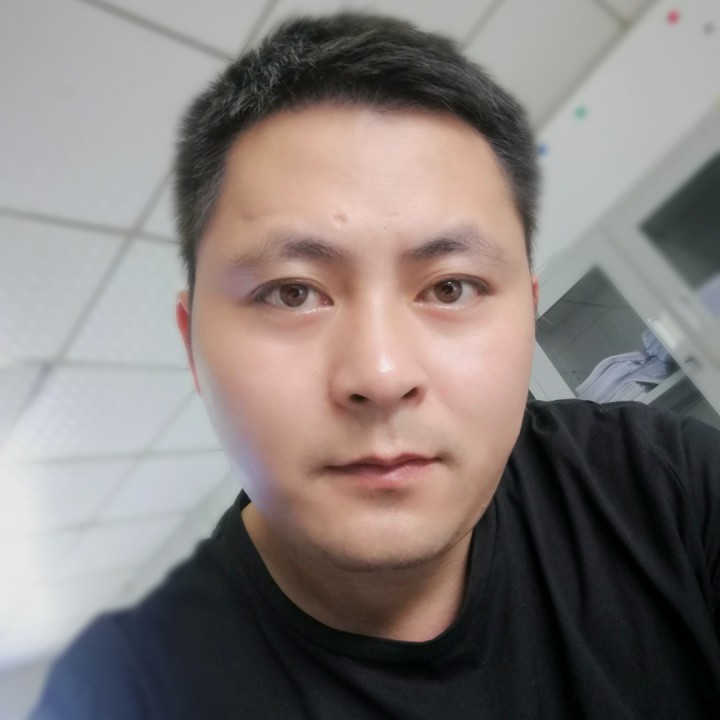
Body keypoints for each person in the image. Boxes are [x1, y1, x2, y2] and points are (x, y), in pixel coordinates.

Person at [32, 12, 720, 719]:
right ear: (193, 351)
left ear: (528, 315)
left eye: (450, 288)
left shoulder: (667, 486)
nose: (383, 375)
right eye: (293, 293)